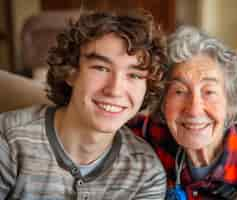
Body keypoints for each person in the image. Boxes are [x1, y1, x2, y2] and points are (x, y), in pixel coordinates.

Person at [0, 10, 167, 199]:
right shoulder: (8, 139)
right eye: (101, 68)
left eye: (134, 75)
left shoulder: (146, 173)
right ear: (71, 72)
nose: (115, 90)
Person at [129, 25, 237, 200]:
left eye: (209, 92)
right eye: (179, 91)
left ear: (230, 101)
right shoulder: (153, 138)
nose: (194, 109)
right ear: (163, 103)